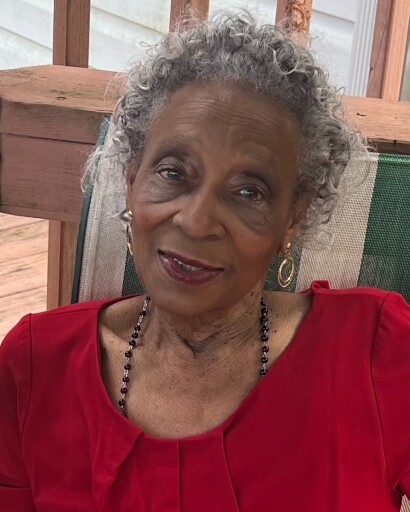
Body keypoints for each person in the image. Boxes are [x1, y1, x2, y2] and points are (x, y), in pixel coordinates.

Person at [1, 11, 409, 512]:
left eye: (248, 191)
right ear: (132, 178)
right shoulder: (36, 369)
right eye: (173, 172)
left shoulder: (375, 355)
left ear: (292, 219)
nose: (196, 222)